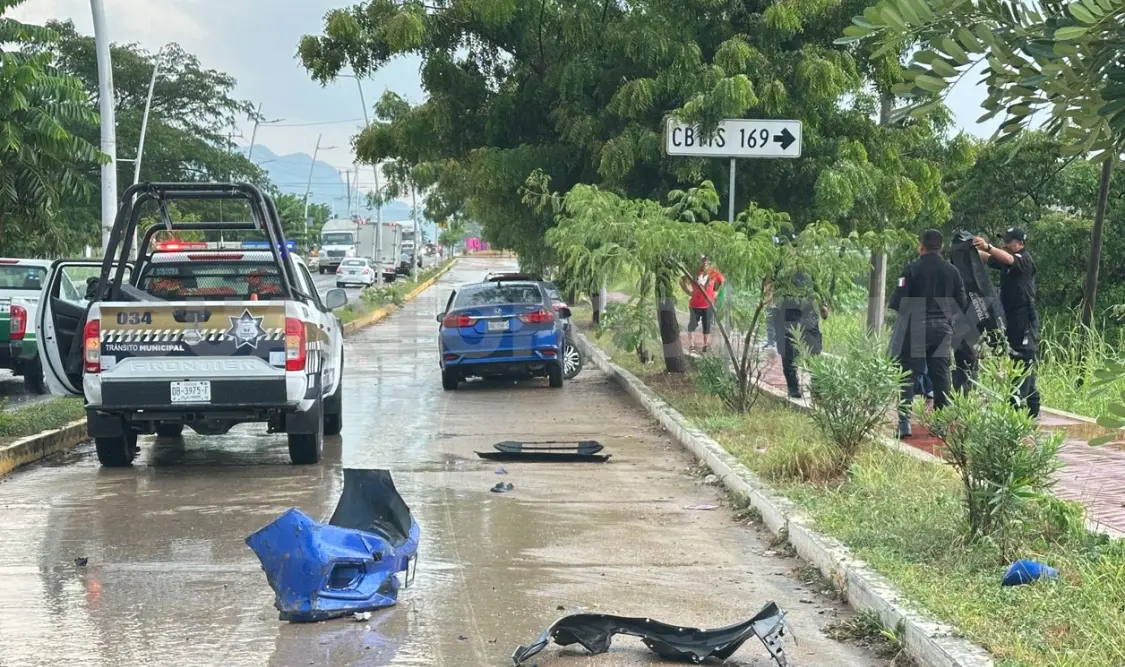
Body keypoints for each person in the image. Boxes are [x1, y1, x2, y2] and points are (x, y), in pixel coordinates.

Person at [889, 229, 969, 438]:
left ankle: (904, 424)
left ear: (921, 246)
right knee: (941, 374)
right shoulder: (953, 271)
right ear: (941, 247)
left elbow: (899, 302)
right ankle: (940, 424)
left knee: (908, 373)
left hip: (917, 326)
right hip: (943, 328)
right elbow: (962, 303)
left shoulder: (911, 269)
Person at [974, 227, 1040, 418]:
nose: (1005, 244)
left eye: (1009, 241)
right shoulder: (1007, 261)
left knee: (1023, 358)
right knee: (1018, 359)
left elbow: (1008, 259)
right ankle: (1032, 407)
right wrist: (970, 250)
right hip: (1010, 317)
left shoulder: (1024, 260)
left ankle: (1017, 408)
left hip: (1024, 317)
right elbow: (989, 259)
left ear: (1020, 243)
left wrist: (988, 246)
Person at [949, 230, 1005, 392]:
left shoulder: (1017, 261)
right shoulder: (953, 269)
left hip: (967, 320)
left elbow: (1003, 260)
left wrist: (984, 248)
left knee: (966, 358)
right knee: (964, 358)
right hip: (961, 322)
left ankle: (965, 391)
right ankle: (963, 392)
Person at [769, 272, 828, 399]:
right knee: (788, 353)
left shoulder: (808, 267)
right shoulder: (781, 265)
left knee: (814, 352)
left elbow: (816, 283)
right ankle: (793, 389)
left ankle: (817, 390)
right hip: (786, 313)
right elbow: (770, 283)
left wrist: (823, 304)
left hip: (808, 313)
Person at [680, 255, 724, 354]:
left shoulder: (713, 273)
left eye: (707, 261)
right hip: (695, 305)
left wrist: (716, 291)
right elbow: (682, 280)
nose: (705, 263)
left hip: (708, 305)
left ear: (710, 262)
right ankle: (691, 345)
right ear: (700, 261)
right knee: (692, 324)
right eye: (703, 260)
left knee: (707, 325)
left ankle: (705, 345)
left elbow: (721, 281)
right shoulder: (694, 273)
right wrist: (687, 291)